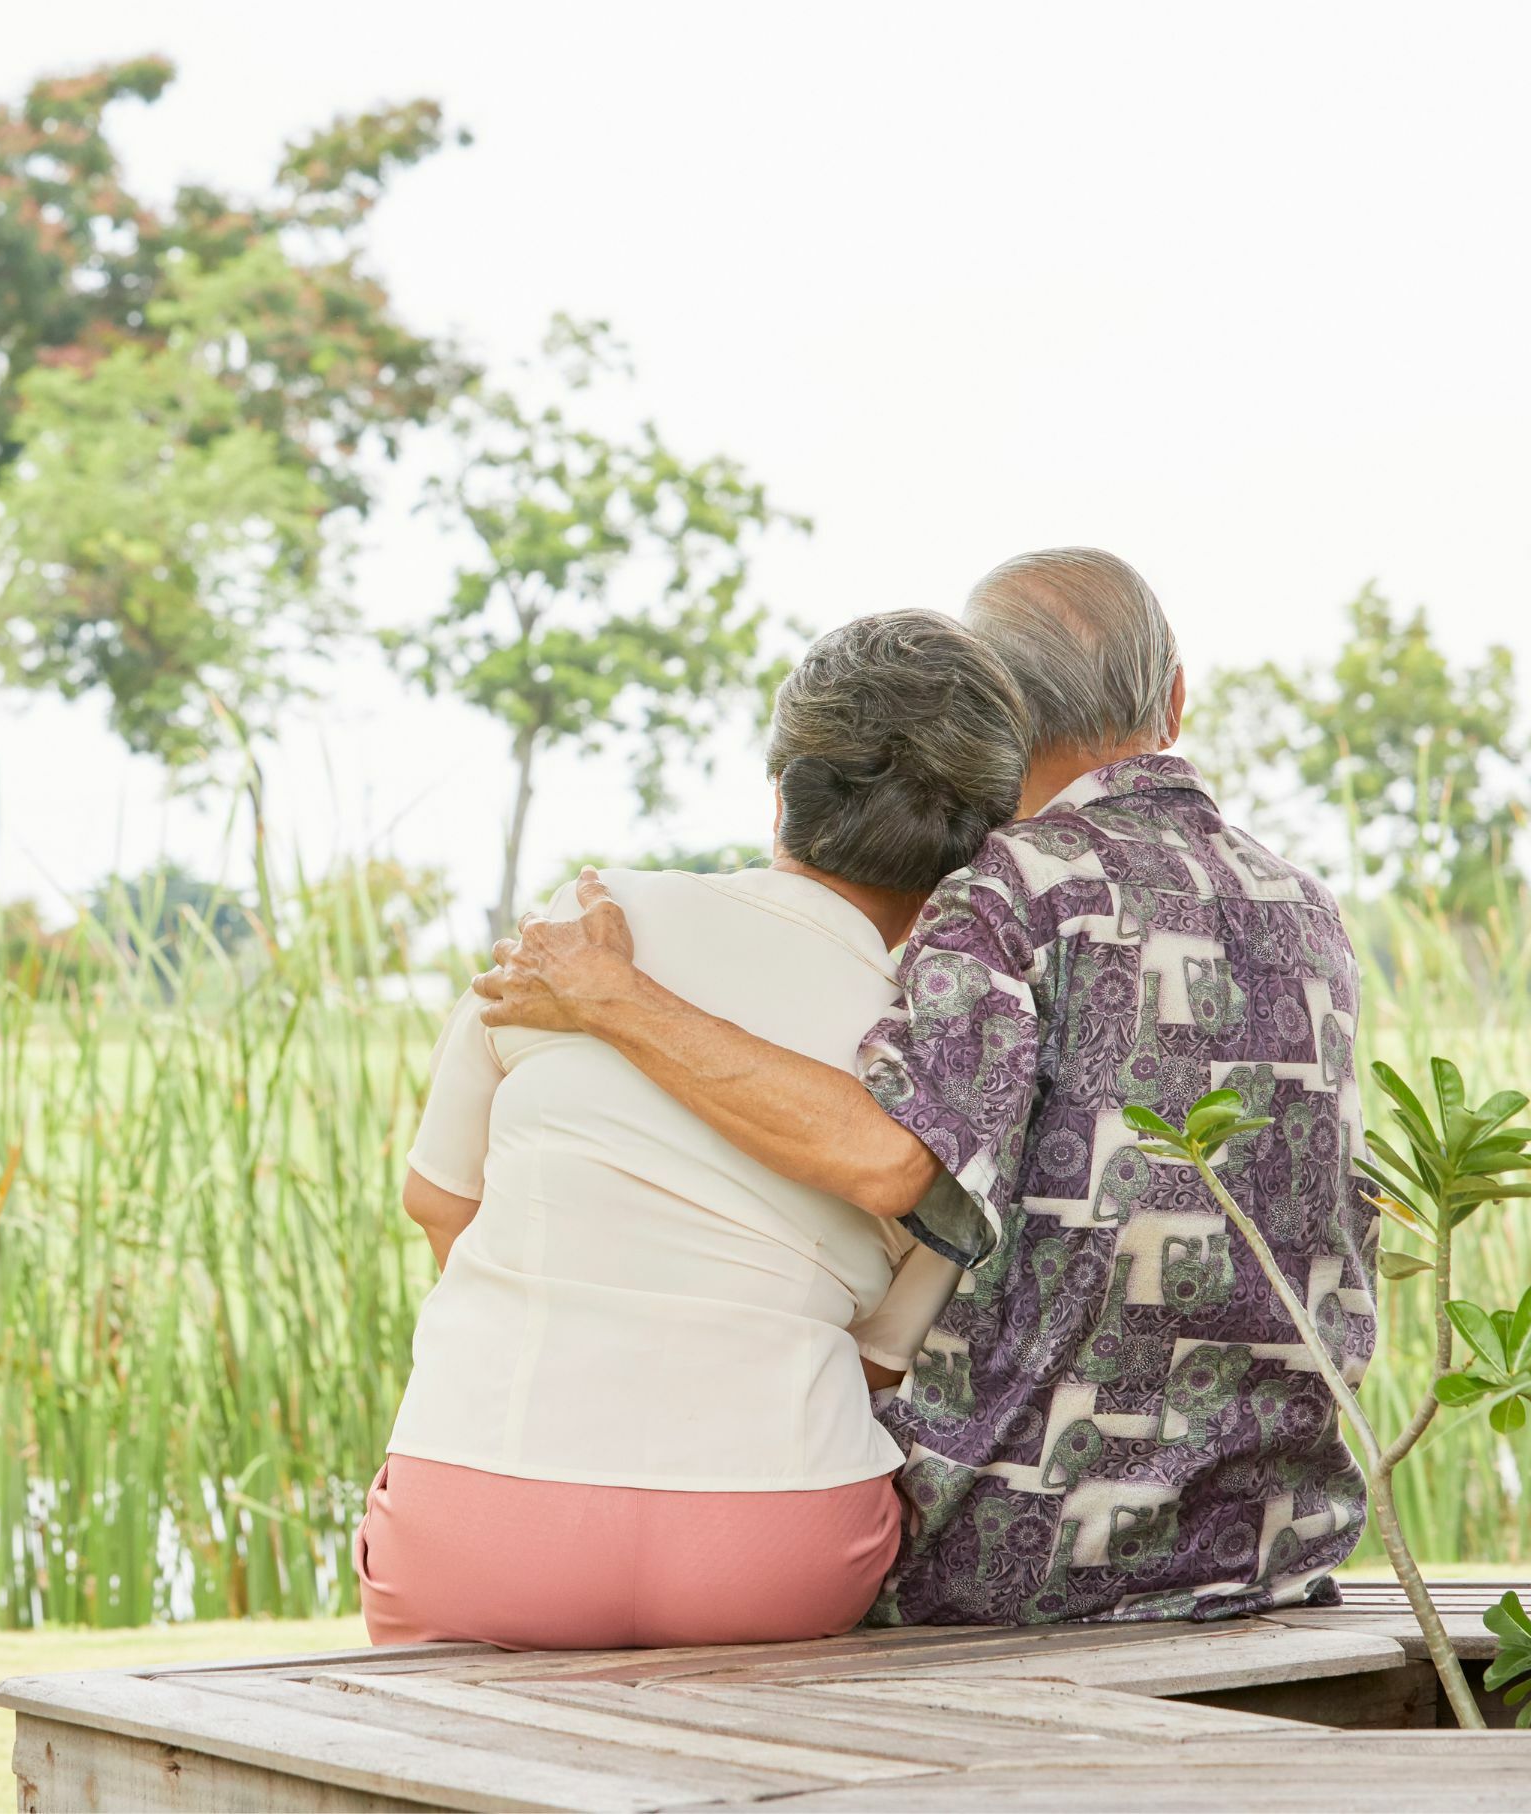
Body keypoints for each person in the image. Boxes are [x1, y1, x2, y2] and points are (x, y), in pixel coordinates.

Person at [476, 549, 1372, 1626]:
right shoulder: (1309, 907)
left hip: (1012, 1559)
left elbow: (891, 1154)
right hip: (1274, 1543)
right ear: (1174, 696)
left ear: (990, 715)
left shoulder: (1007, 894)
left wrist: (612, 996)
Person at [355, 610, 1025, 1649]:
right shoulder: (940, 1037)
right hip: (776, 1542)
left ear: (783, 789)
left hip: (479, 1518)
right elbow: (882, 1364)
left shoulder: (578, 929)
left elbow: (440, 1203)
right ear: (985, 838)